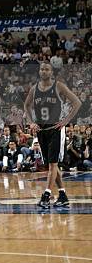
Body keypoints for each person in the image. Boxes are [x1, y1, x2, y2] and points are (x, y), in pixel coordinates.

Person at [24, 62, 81, 209]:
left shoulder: (59, 86)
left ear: (51, 72)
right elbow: (26, 106)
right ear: (39, 72)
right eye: (42, 69)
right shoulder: (34, 89)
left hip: (55, 128)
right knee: (51, 165)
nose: (44, 71)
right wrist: (31, 122)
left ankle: (46, 195)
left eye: (46, 69)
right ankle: (62, 195)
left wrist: (65, 121)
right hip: (41, 130)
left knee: (53, 164)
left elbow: (77, 102)